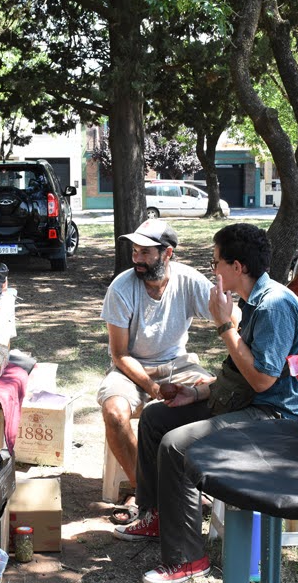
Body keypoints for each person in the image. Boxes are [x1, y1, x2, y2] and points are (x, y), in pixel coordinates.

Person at [113, 223, 298, 583]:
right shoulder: (253, 300)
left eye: (215, 263)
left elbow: (261, 379)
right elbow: (240, 376)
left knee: (176, 447)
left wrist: (224, 325)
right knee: (155, 419)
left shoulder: (274, 306)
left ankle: (188, 559)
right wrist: (195, 392)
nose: (213, 271)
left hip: (278, 418)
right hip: (250, 401)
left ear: (237, 267)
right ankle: (159, 516)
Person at [97, 219, 215, 525]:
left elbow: (227, 312)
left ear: (168, 254)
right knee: (114, 412)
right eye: (135, 251)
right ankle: (145, 490)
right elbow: (119, 354)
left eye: (145, 252)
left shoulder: (189, 280)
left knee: (217, 398)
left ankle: (194, 482)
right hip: (131, 368)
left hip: (179, 364)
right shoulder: (122, 288)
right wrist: (152, 387)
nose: (136, 258)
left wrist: (235, 321)